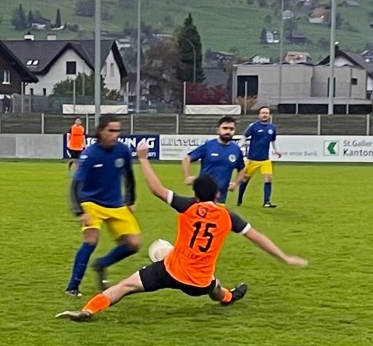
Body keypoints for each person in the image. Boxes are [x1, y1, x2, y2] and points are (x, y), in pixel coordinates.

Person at [56, 141, 307, 322]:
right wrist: (284, 257)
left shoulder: (188, 206)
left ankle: (88, 310)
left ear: (196, 195)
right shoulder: (228, 216)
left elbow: (156, 189)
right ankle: (230, 297)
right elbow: (258, 237)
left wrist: (143, 159)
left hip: (169, 271)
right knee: (215, 287)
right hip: (199, 281)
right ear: (217, 194)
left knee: (124, 287)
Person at [65, 114, 140, 297]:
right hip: (91, 203)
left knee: (134, 244)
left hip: (116, 204)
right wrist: (80, 211)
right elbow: (76, 185)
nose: (115, 135)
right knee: (91, 240)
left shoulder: (122, 150)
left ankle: (101, 264)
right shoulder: (90, 154)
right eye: (111, 130)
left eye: (118, 131)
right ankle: (72, 287)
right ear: (101, 131)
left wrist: (130, 201)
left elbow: (129, 176)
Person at [182, 116, 245, 203]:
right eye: (225, 128)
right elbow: (187, 159)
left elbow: (242, 168)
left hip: (221, 198)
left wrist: (236, 183)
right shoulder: (208, 146)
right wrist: (187, 176)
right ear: (218, 130)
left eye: (231, 129)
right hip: (202, 196)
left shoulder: (236, 150)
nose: (228, 131)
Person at [237, 106, 282, 208]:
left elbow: (273, 140)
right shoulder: (253, 126)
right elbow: (244, 137)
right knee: (244, 180)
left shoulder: (272, 128)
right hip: (252, 159)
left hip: (265, 160)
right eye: (262, 113)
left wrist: (276, 151)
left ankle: (266, 202)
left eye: (266, 113)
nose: (264, 115)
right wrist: (237, 148)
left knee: (268, 178)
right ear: (259, 115)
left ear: (269, 115)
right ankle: (239, 199)